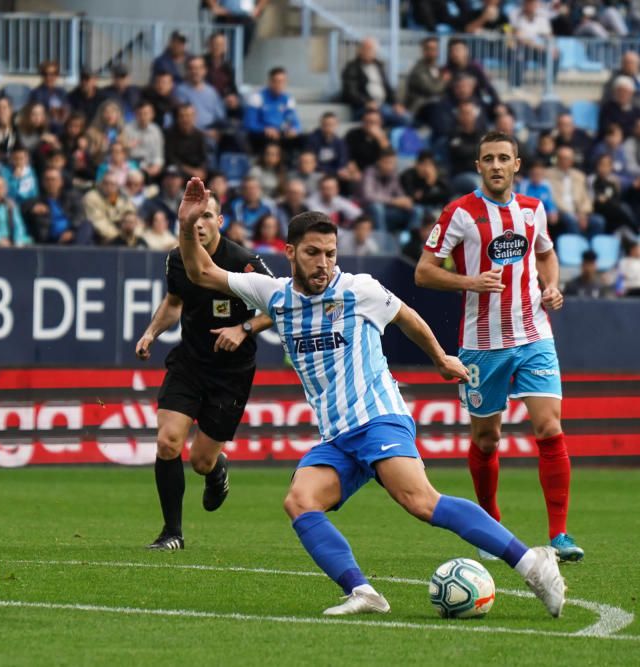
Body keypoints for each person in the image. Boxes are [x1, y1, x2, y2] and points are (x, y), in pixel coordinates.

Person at [176, 177, 567, 617]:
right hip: (338, 435)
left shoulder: (358, 289)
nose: (323, 263)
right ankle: (363, 592)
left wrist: (440, 358)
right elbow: (200, 272)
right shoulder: (274, 295)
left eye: (330, 253)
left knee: (420, 500)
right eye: (312, 253)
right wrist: (187, 225)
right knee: (300, 500)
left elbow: (408, 317)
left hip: (380, 417)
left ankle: (534, 564)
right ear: (289, 254)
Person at [415, 131, 585, 563]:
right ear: (478, 166)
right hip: (481, 345)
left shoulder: (533, 210)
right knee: (487, 440)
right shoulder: (459, 213)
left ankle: (560, 534)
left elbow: (545, 254)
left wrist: (552, 287)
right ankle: (490, 520)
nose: (495, 165)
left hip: (534, 335)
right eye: (488, 158)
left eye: (503, 158)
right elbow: (423, 272)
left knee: (549, 429)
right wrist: (468, 281)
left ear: (516, 165)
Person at [135, 188, 274, 550]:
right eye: (194, 217)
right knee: (168, 442)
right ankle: (172, 533)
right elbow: (174, 301)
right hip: (190, 363)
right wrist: (151, 332)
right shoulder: (177, 259)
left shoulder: (243, 261)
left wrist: (243, 329)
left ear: (220, 221)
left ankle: (216, 470)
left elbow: (278, 305)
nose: (199, 224)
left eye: (207, 216)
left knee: (200, 460)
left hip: (231, 374)